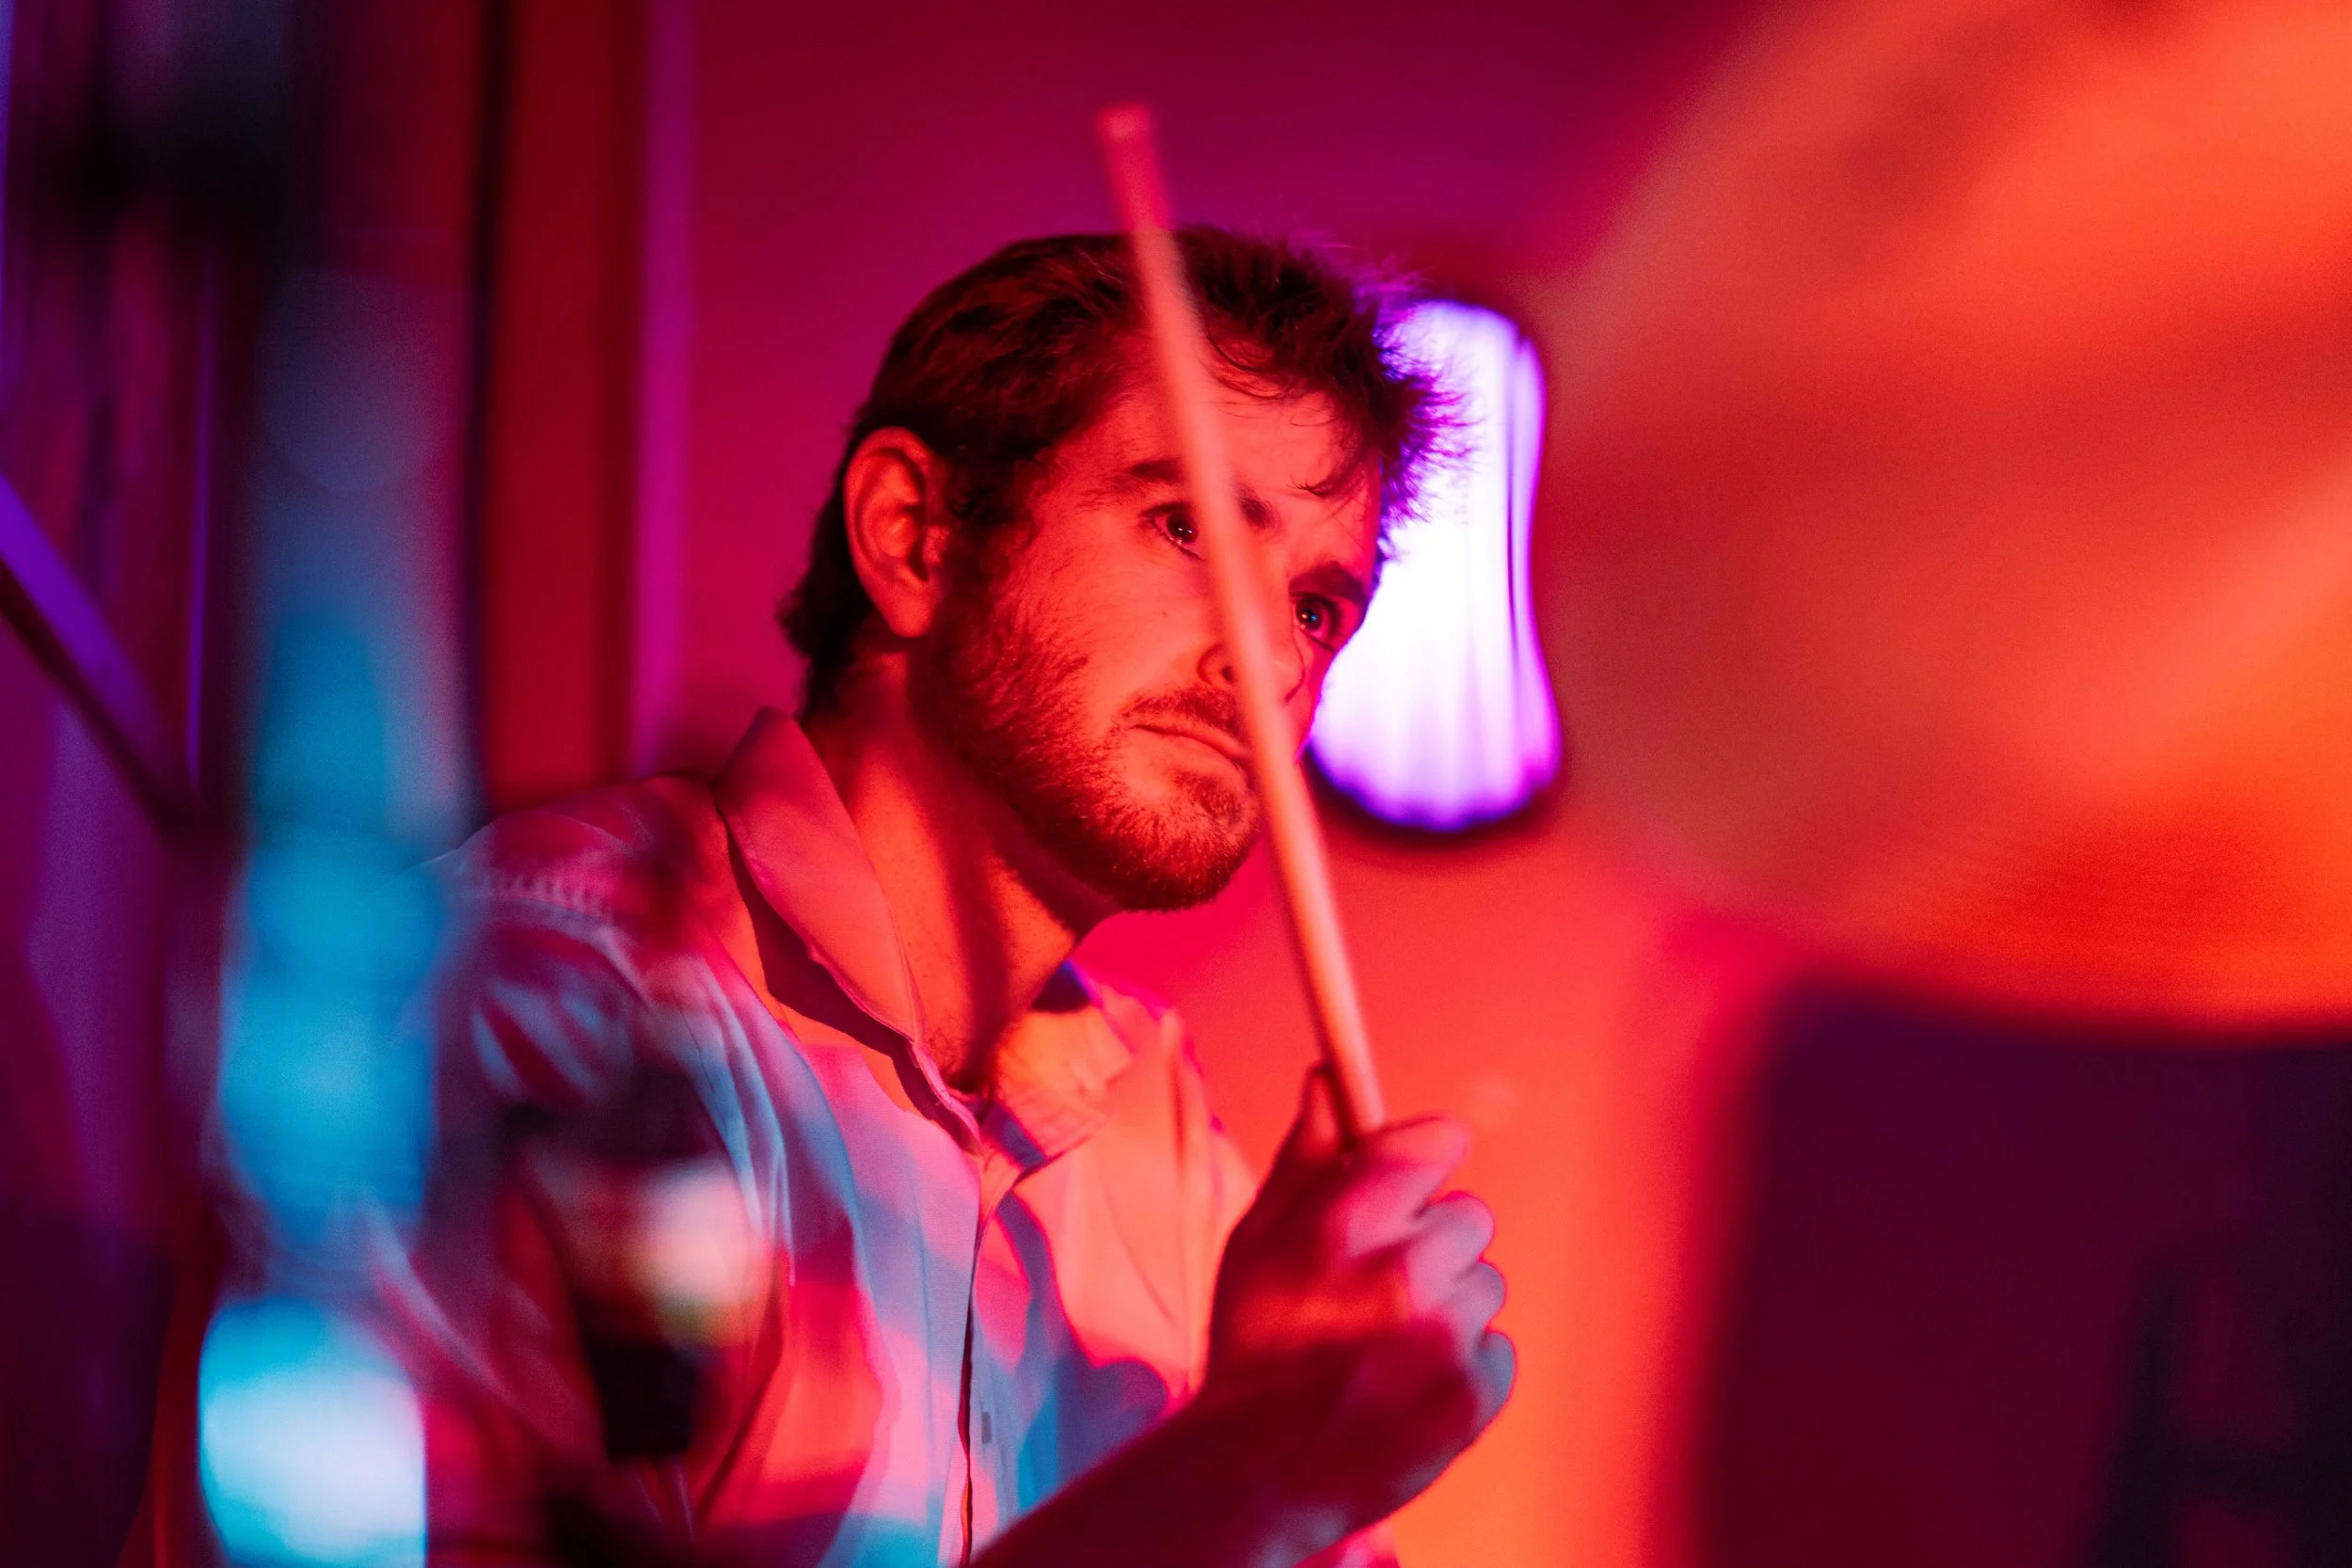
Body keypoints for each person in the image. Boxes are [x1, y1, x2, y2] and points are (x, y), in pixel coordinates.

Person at [387, 229, 1514, 1567]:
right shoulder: (557, 1005)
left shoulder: (1162, 1130)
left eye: (1320, 607)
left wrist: (1306, 1465)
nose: (1269, 658)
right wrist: (1241, 1470)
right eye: (1188, 527)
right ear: (915, 538)